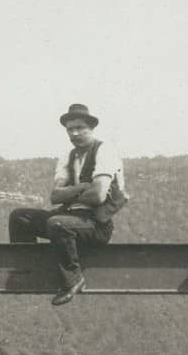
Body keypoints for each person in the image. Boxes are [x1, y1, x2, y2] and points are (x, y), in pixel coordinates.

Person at [8, 103, 127, 306]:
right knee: (19, 217)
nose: (75, 133)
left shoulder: (104, 151)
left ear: (91, 128)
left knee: (57, 223)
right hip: (70, 218)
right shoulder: (68, 156)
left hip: (96, 225)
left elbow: (98, 196)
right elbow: (55, 196)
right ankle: (28, 269)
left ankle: (73, 279)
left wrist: (70, 194)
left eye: (80, 128)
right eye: (70, 129)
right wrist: (82, 188)